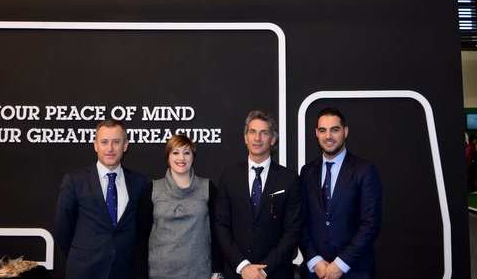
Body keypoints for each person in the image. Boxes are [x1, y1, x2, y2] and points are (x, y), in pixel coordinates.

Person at [55, 120, 149, 279]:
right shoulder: (74, 180)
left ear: (125, 145)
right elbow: (62, 229)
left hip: (126, 271)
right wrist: (83, 256)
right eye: (104, 142)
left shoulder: (139, 182)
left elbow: (143, 230)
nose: (110, 148)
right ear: (95, 145)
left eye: (116, 142)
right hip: (85, 271)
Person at [215, 110, 302, 279]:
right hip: (237, 272)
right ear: (245, 138)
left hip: (276, 273)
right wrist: (243, 266)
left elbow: (292, 231)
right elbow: (221, 225)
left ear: (273, 139)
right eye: (252, 132)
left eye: (264, 133)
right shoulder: (229, 176)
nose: (257, 138)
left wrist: (264, 269)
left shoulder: (289, 179)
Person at [299, 107, 382, 279]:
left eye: (334, 130)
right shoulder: (307, 172)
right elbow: (300, 221)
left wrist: (340, 264)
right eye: (323, 130)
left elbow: (370, 224)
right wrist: (315, 260)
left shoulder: (364, 170)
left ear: (345, 131)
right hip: (316, 272)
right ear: (316, 133)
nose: (328, 136)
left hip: (355, 271)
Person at [141, 134, 222, 278]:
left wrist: (217, 272)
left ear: (193, 157)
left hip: (199, 273)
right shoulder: (153, 189)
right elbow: (141, 237)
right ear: (168, 157)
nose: (181, 158)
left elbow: (217, 233)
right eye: (175, 152)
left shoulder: (207, 188)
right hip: (160, 274)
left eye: (186, 152)